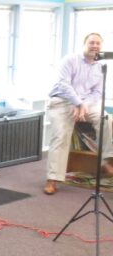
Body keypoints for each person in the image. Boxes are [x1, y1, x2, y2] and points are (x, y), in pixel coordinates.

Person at [44, 32, 113, 195]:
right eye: (91, 43)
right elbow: (63, 85)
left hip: (86, 103)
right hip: (62, 101)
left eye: (98, 44)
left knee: (106, 119)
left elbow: (97, 92)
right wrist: (78, 103)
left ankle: (107, 160)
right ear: (84, 43)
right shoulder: (70, 60)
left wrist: (83, 105)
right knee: (60, 135)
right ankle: (52, 179)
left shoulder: (101, 66)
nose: (95, 46)